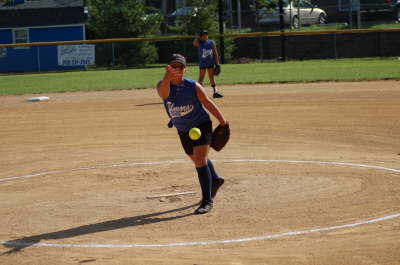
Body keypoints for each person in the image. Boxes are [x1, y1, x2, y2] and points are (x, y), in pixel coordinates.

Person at [156, 53, 228, 214]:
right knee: (196, 158)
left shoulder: (194, 86)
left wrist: (224, 122)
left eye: (180, 67)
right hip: (182, 129)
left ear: (185, 70)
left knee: (200, 160)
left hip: (201, 125)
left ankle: (207, 201)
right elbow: (164, 94)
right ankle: (215, 180)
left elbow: (208, 103)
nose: (177, 70)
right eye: (173, 67)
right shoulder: (162, 85)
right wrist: (167, 76)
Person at [193, 30, 224, 99]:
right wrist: (197, 37)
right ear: (201, 36)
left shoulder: (211, 42)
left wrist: (217, 64)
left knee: (211, 77)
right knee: (201, 78)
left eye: (206, 34)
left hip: (211, 63)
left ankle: (215, 92)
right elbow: (194, 43)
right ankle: (197, 93)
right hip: (203, 63)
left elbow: (215, 53)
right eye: (203, 35)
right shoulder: (200, 43)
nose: (205, 36)